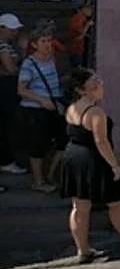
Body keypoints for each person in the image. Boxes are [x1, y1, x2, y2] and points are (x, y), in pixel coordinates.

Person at [60, 67, 120, 262]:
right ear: (81, 89)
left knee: (80, 206)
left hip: (73, 157)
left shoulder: (72, 109)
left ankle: (83, 250)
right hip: (94, 159)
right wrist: (114, 165)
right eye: (94, 82)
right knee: (116, 202)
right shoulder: (95, 112)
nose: (100, 84)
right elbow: (101, 141)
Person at [17, 29, 67, 192]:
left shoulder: (52, 59)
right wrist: (41, 100)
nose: (47, 44)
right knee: (37, 145)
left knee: (62, 140)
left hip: (54, 105)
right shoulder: (29, 64)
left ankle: (51, 175)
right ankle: (38, 181)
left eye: (49, 40)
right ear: (34, 44)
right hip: (35, 109)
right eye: (43, 41)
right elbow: (21, 90)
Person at [0, 13, 25, 180]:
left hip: (7, 88)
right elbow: (11, 69)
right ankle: (5, 160)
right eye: (12, 29)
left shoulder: (7, 45)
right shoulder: (3, 46)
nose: (15, 33)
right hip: (4, 89)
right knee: (4, 126)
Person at [66, 0, 93, 69]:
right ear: (82, 9)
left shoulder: (83, 18)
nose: (90, 10)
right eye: (88, 8)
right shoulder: (77, 19)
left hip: (81, 49)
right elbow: (80, 33)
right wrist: (87, 25)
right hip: (75, 50)